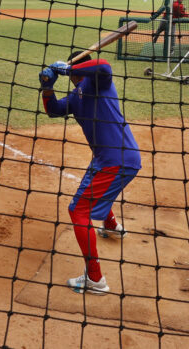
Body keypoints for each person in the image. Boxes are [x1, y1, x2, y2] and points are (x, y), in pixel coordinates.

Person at [39, 54, 141, 295]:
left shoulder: (97, 82)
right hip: (110, 159)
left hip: (115, 161)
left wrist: (67, 69)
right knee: (92, 186)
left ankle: (95, 280)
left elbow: (103, 65)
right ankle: (111, 225)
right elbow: (53, 110)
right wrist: (47, 87)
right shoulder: (76, 96)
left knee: (78, 210)